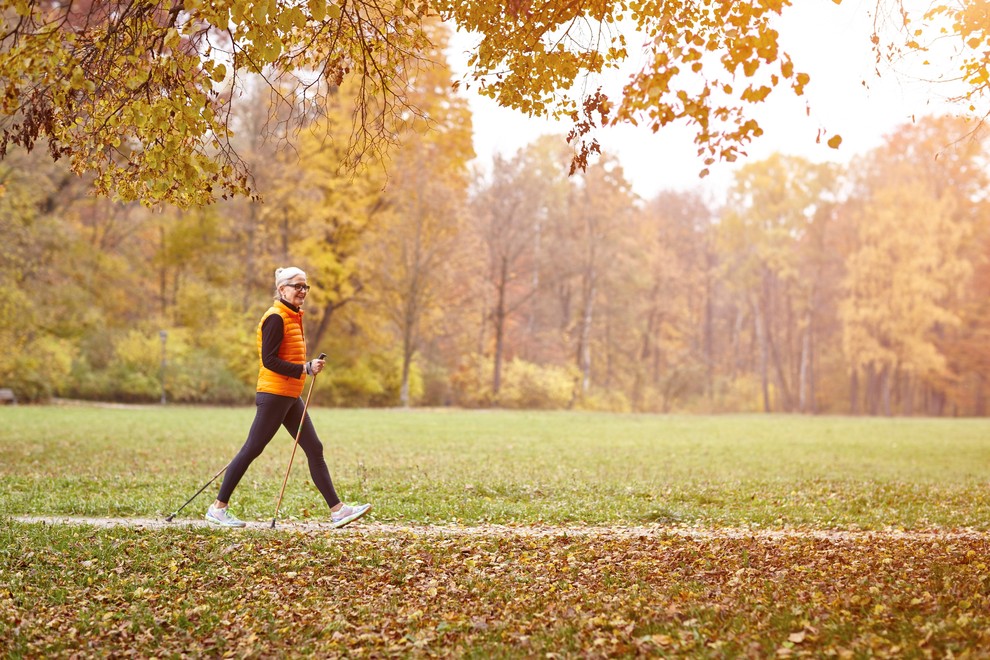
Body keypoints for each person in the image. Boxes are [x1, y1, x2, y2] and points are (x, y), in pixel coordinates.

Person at [206, 266, 371, 528]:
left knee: (314, 448)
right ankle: (218, 508)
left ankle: (338, 511)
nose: (302, 291)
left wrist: (307, 365)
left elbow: (288, 356)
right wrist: (304, 368)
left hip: (290, 395)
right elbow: (269, 361)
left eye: (305, 286)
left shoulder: (293, 316)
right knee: (252, 449)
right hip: (274, 394)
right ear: (282, 289)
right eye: (297, 286)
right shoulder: (275, 317)